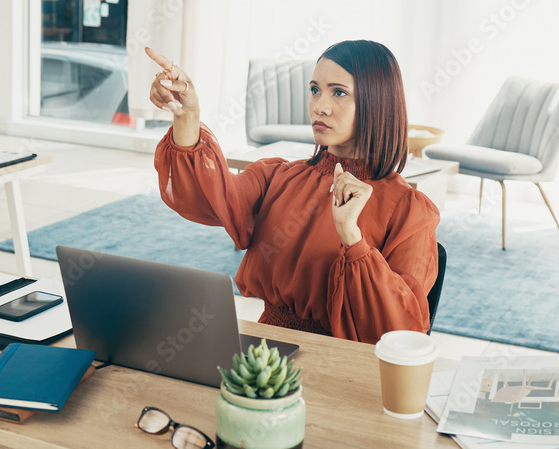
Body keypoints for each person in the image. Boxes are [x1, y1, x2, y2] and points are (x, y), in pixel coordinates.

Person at [148, 41, 439, 344]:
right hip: (264, 351)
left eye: (338, 92)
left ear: (377, 101)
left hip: (346, 364)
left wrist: (351, 237)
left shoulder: (409, 210)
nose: (319, 106)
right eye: (315, 90)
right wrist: (186, 115)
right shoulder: (277, 176)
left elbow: (401, 331)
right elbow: (205, 196)